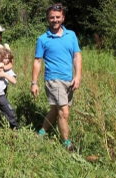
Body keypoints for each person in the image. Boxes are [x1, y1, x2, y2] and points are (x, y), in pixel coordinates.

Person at [31, 3, 82, 151]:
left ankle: (41, 132)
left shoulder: (71, 35)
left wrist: (78, 76)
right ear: (48, 19)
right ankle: (67, 144)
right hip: (53, 79)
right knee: (64, 112)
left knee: (56, 109)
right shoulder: (42, 39)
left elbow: (77, 56)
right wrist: (34, 82)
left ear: (63, 18)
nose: (55, 20)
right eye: (51, 17)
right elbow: (37, 61)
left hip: (69, 79)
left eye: (58, 17)